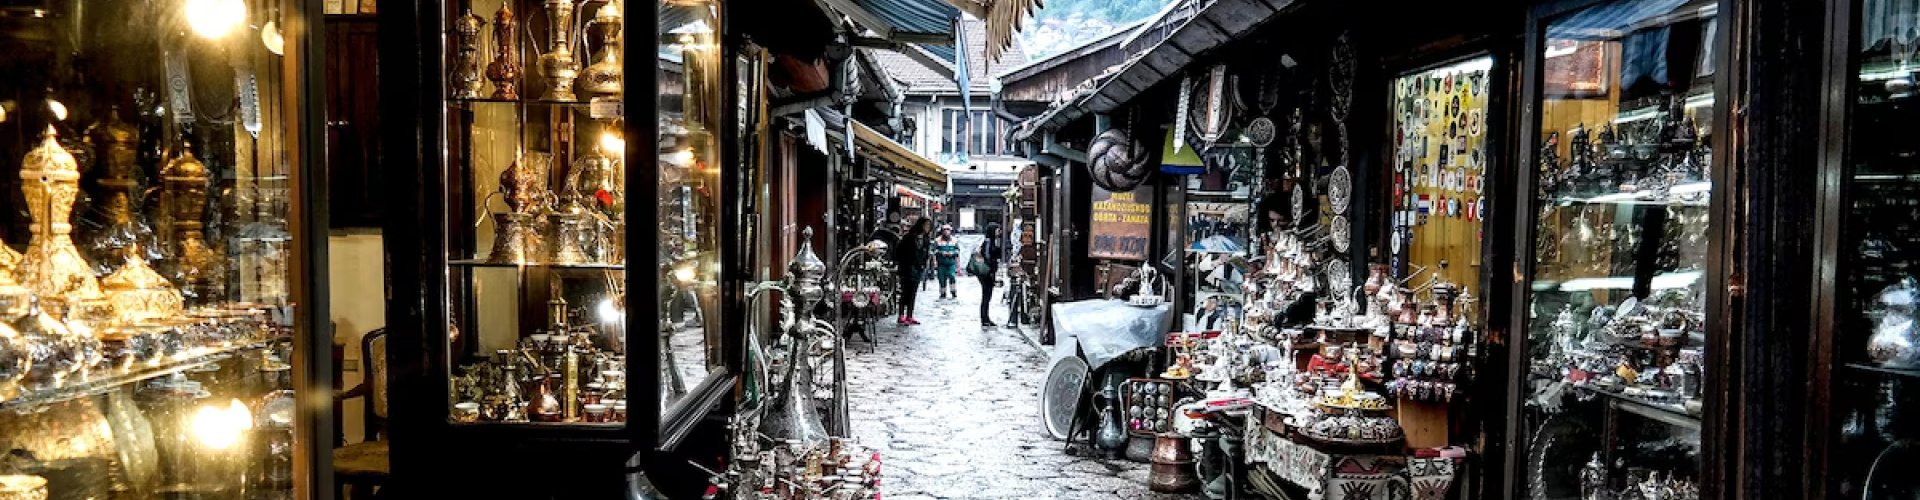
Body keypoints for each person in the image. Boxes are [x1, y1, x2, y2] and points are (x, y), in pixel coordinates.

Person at [893, 217, 932, 325]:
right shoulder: (909, 238)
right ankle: (901, 315)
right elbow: (899, 251)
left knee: (913, 293)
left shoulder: (925, 239)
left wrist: (924, 264)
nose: (927, 228)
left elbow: (925, 253)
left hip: (918, 268)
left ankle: (910, 315)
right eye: (926, 225)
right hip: (907, 268)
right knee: (905, 292)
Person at [974, 222, 1006, 327]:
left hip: (988, 272)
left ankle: (986, 318)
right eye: (997, 230)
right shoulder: (989, 242)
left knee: (987, 296)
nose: (999, 232)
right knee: (986, 296)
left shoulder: (992, 241)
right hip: (987, 273)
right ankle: (985, 318)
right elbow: (988, 256)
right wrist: (991, 270)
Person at [933, 225, 961, 299]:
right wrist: (941, 253)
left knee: (952, 276)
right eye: (944, 230)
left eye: (948, 230)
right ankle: (943, 293)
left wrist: (953, 254)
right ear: (942, 231)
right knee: (941, 278)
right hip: (941, 263)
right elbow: (933, 251)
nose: (946, 231)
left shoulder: (954, 240)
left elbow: (958, 251)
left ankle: (953, 291)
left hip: (951, 262)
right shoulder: (937, 240)